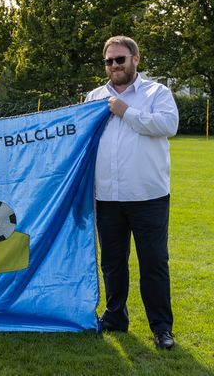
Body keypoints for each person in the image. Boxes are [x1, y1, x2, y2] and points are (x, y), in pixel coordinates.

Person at [85, 35, 179, 350]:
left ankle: (162, 328)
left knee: (153, 263)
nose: (114, 65)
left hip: (148, 196)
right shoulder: (94, 96)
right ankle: (115, 317)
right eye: (109, 61)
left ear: (135, 59)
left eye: (120, 59)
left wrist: (126, 111)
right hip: (107, 197)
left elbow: (169, 125)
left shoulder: (157, 93)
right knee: (112, 263)